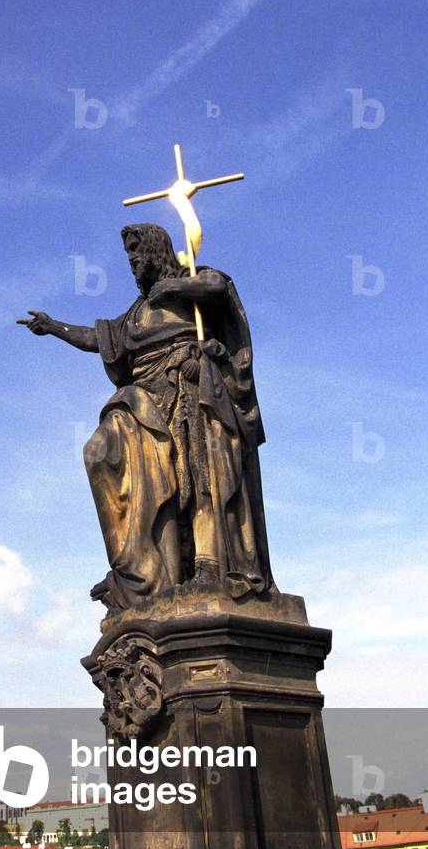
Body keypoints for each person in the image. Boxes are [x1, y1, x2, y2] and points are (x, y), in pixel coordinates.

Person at [18, 223, 274, 611]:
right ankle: (141, 571)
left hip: (191, 392)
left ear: (155, 251)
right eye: (129, 255)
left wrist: (175, 289)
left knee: (200, 478)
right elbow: (99, 338)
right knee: (100, 450)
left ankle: (207, 565)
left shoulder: (192, 281)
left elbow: (219, 288)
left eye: (136, 253)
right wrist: (55, 327)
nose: (132, 262)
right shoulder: (138, 312)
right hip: (144, 403)